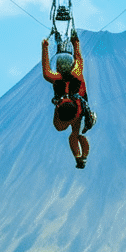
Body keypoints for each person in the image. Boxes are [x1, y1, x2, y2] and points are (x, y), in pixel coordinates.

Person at [42, 30, 94, 168]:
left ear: (58, 66)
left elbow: (46, 70)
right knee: (75, 134)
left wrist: (45, 48)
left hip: (63, 115)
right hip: (77, 112)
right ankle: (82, 157)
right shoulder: (77, 73)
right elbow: (79, 58)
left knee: (62, 129)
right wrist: (76, 43)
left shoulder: (55, 78)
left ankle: (79, 156)